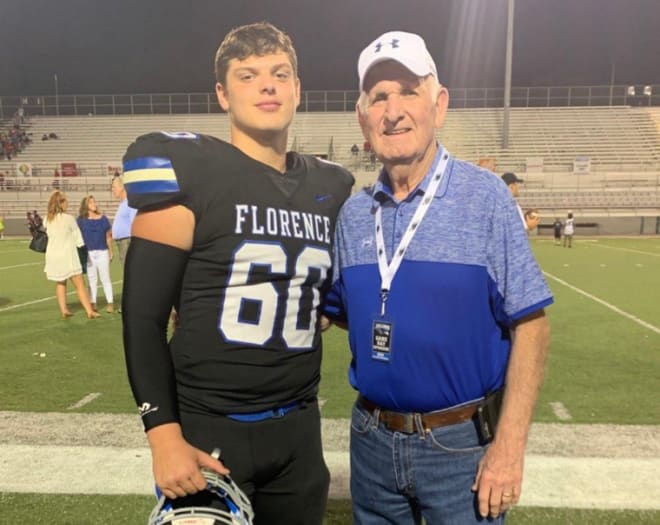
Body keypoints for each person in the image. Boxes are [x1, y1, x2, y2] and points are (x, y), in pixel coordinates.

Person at [121, 22, 353, 525]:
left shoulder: (332, 185)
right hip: (209, 427)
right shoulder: (188, 170)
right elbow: (142, 319)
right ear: (222, 95)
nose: (267, 85)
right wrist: (163, 437)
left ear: (297, 89)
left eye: (279, 73)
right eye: (247, 76)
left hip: (298, 428)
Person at [324, 31, 553, 524]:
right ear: (363, 119)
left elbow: (531, 324)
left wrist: (509, 448)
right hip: (371, 441)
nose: (394, 109)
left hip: (462, 449)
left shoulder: (486, 198)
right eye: (379, 97)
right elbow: (345, 314)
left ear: (439, 104)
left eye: (409, 91)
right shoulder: (354, 215)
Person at [43, 190, 100, 320]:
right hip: (67, 255)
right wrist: (84, 249)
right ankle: (89, 311)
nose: (67, 203)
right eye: (65, 200)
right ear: (61, 203)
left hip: (53, 256)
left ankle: (64, 310)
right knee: (80, 284)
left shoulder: (47, 219)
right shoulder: (68, 219)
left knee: (60, 283)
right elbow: (78, 238)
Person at [78, 195, 114, 313]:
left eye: (94, 202)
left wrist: (110, 251)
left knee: (105, 278)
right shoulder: (81, 220)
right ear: (86, 205)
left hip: (102, 251)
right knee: (91, 279)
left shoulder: (103, 219)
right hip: (88, 253)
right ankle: (92, 302)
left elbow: (108, 236)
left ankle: (110, 302)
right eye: (91, 202)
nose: (94, 204)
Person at [110, 175, 137, 267]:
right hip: (122, 243)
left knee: (129, 271)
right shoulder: (123, 204)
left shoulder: (130, 203)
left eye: (114, 187)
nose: (112, 190)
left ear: (122, 187)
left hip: (127, 242)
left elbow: (135, 224)